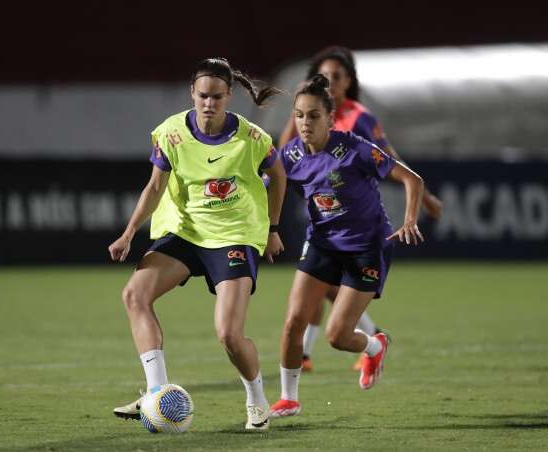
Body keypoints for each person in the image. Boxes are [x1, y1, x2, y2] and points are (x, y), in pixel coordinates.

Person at [108, 57, 286, 431]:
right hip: (186, 232)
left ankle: (256, 399)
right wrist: (128, 233)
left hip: (234, 236)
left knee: (229, 335)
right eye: (202, 95)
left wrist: (272, 229)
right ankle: (157, 393)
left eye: (217, 97)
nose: (209, 103)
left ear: (229, 96)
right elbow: (155, 187)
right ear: (192, 93)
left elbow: (278, 174)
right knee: (134, 295)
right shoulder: (171, 133)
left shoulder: (251, 139)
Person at [278, 45, 442, 372]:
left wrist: (425, 199)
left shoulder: (361, 118)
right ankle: (323, 350)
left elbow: (388, 157)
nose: (329, 81)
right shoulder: (307, 114)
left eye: (335, 77)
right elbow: (285, 152)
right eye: (322, 76)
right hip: (324, 213)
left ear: (347, 82)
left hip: (358, 216)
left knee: (324, 289)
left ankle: (364, 339)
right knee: (317, 288)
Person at [269, 74, 424, 417]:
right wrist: (268, 226)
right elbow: (268, 185)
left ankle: (373, 345)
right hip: (322, 243)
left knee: (338, 337)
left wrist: (410, 219)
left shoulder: (354, 149)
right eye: (298, 115)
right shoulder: (290, 155)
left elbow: (412, 179)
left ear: (330, 117)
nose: (304, 123)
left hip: (366, 246)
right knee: (294, 320)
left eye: (312, 115)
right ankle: (289, 399)